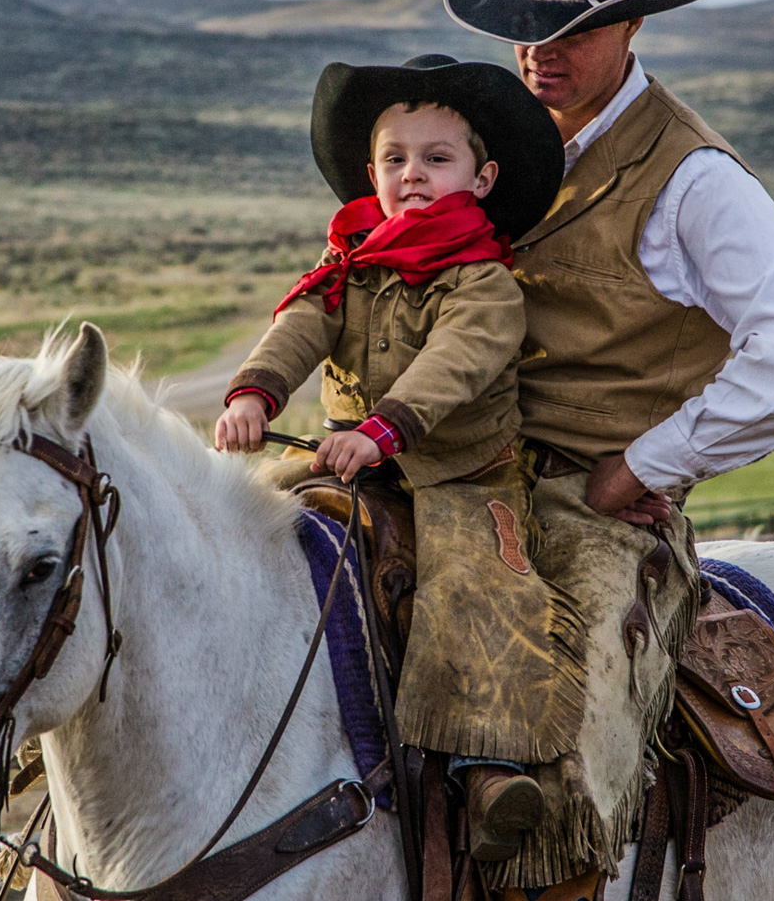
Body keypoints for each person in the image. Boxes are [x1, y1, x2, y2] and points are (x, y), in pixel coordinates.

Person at [440, 0, 774, 889]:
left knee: (584, 700)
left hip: (597, 503)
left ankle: (557, 875)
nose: (539, 50)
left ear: (630, 26)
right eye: (525, 23)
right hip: (457, 468)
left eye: (571, 27)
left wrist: (647, 463)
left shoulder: (694, 180)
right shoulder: (491, 148)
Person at [214, 54, 574, 861]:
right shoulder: (353, 261)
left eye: (437, 159)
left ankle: (491, 764)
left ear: (480, 179)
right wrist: (254, 396)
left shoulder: (483, 278)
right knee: (233, 530)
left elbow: (458, 358)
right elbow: (302, 321)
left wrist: (381, 429)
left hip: (458, 476)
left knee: (482, 589)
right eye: (395, 159)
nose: (413, 175)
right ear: (370, 173)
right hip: (346, 466)